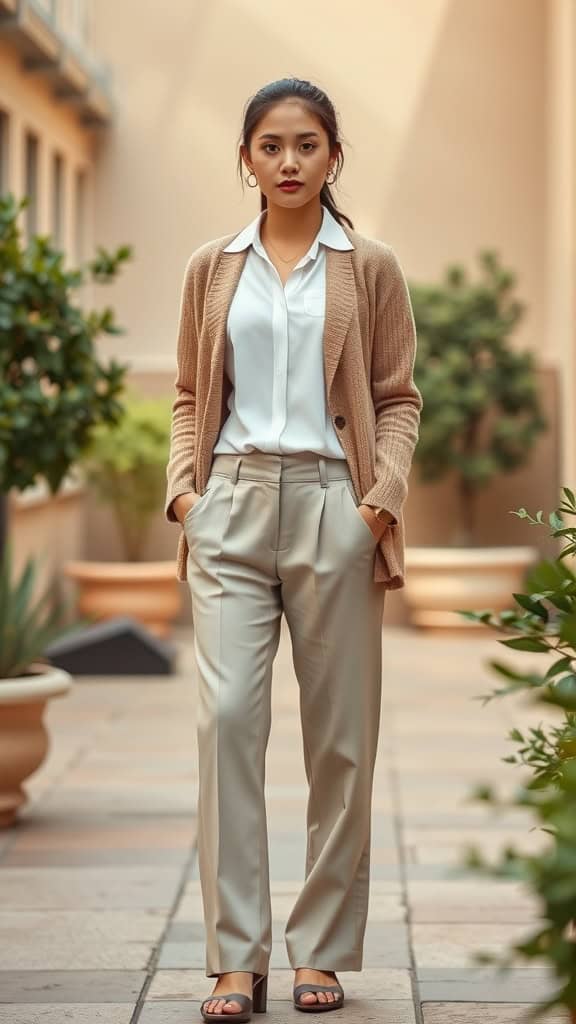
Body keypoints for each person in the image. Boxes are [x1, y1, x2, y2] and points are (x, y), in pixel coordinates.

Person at [165, 77, 423, 1023]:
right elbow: (193, 395)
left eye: (306, 145)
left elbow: (397, 397)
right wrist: (187, 497)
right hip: (230, 504)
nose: (288, 162)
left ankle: (320, 949)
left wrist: (376, 507)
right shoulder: (212, 267)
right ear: (246, 158)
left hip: (333, 506)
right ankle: (237, 959)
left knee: (341, 744)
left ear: (333, 156)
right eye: (270, 145)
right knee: (228, 720)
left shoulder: (371, 266)